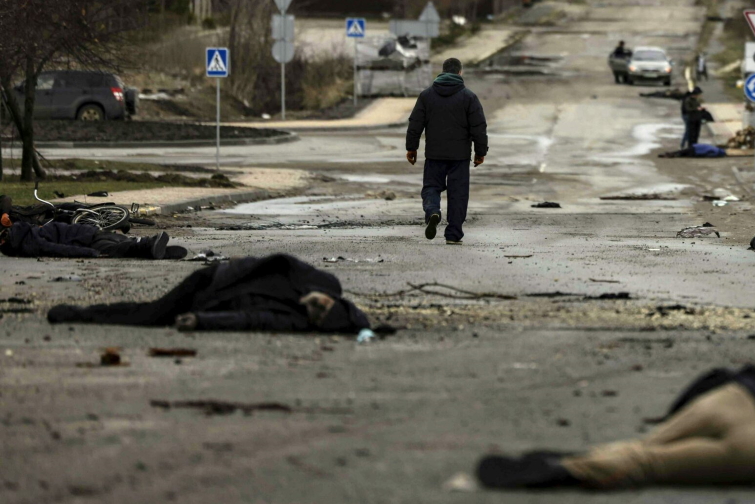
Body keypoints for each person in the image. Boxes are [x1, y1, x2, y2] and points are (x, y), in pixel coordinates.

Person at [476, 364, 755, 489]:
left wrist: (674, 416)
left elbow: (722, 375)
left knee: (648, 445)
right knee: (652, 465)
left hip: (735, 398)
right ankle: (574, 469)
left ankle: (612, 450)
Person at [46, 254, 370, 334]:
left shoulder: (297, 320)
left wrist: (201, 320)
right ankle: (74, 314)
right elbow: (285, 261)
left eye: (318, 316)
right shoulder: (325, 282)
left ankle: (77, 313)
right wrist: (311, 292)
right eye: (324, 307)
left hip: (212, 299)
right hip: (214, 279)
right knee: (151, 315)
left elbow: (249, 320)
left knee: (152, 315)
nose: (315, 309)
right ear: (332, 300)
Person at [406, 58, 488, 245]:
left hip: (434, 154)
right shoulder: (469, 97)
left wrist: (411, 147)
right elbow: (479, 127)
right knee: (458, 193)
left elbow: (415, 124)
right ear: (460, 73)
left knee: (431, 187)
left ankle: (433, 211)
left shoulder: (426, 96)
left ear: (442, 72)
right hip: (460, 156)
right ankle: (453, 233)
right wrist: (480, 152)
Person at [0, 214, 183, 260]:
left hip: (85, 241)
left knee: (117, 249)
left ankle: (149, 247)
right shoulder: (23, 229)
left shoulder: (26, 243)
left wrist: (88, 253)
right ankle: (155, 248)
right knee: (121, 242)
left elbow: (59, 249)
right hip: (86, 232)